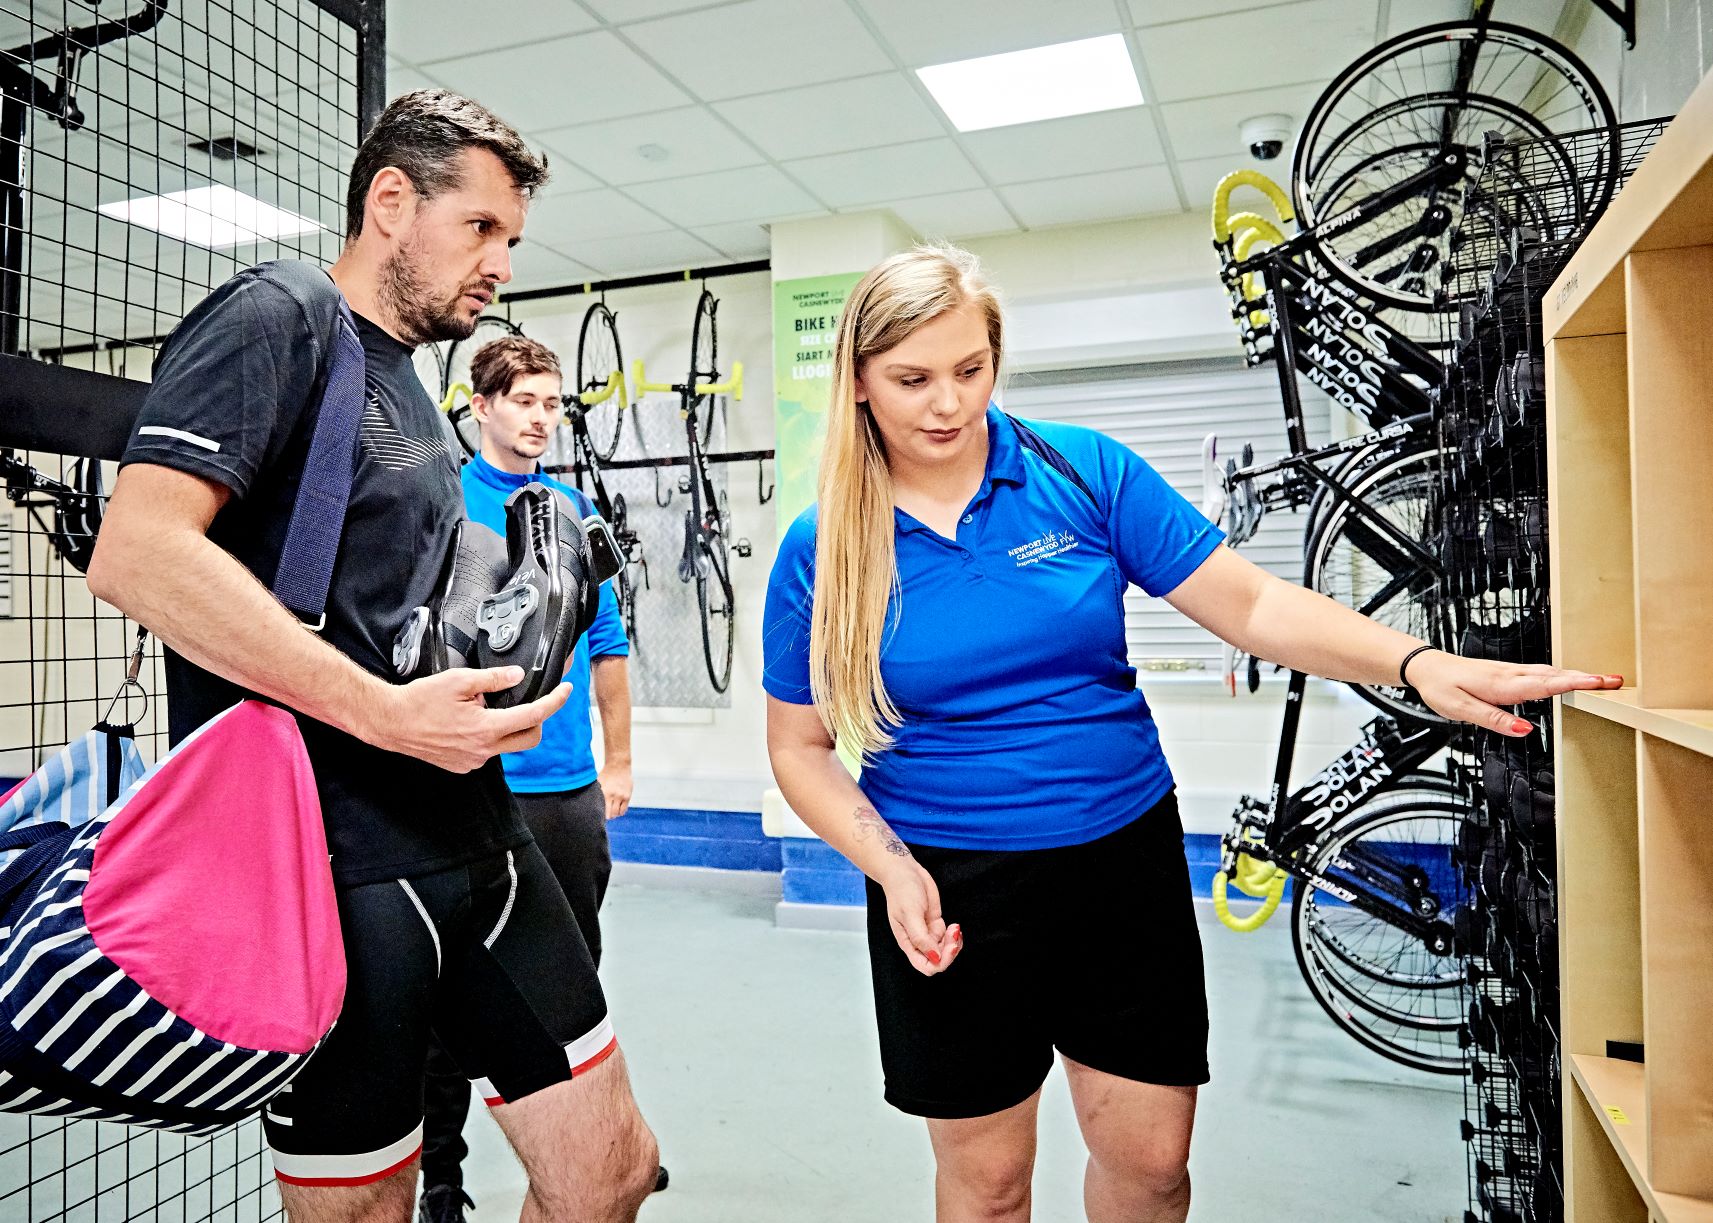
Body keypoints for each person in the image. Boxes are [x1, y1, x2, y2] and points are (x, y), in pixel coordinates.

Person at [760, 244, 1620, 1223]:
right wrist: (892, 867)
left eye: (971, 369)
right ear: (861, 383)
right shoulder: (821, 546)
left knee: (1153, 1165)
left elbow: (1251, 604)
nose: (949, 404)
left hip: (1119, 862)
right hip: (947, 880)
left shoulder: (1081, 472)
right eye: (913, 379)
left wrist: (1418, 662)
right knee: (989, 1185)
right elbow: (801, 747)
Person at [87, 89, 659, 1223]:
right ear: (391, 200)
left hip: (479, 840)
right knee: (364, 1206)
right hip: (332, 872)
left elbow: (392, 592)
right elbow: (138, 552)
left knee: (609, 1171)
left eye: (511, 238)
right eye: (482, 228)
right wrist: (385, 713)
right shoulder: (277, 314)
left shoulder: (411, 386)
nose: (500, 261)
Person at [417, 334, 656, 1223]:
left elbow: (609, 649)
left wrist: (618, 763)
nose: (540, 418)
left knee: (572, 970)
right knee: (450, 983)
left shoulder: (572, 510)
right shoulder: (445, 503)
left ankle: (589, 1144)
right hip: (471, 784)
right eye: (523, 400)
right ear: (481, 408)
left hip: (564, 791)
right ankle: (441, 1170)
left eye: (552, 403)